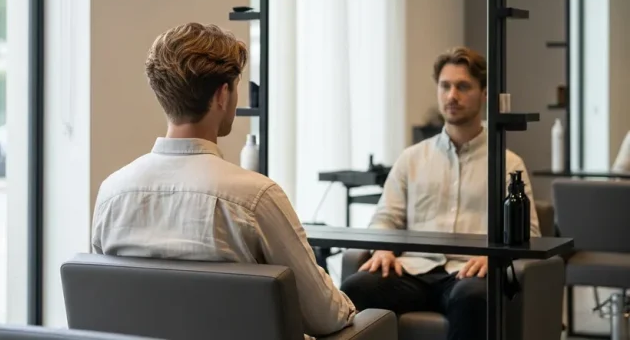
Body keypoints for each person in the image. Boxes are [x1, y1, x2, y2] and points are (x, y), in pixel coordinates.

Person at [91, 22, 356, 338]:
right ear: (222, 94)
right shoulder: (254, 197)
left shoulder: (112, 193)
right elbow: (323, 316)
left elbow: (104, 305)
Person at [340, 47, 540, 340]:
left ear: (484, 94)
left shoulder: (507, 163)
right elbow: (385, 218)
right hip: (413, 271)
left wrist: (495, 258)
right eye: (445, 86)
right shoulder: (411, 158)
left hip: (470, 274)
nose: (451, 96)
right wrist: (382, 249)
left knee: (473, 297)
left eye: (463, 86)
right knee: (357, 288)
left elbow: (529, 233)